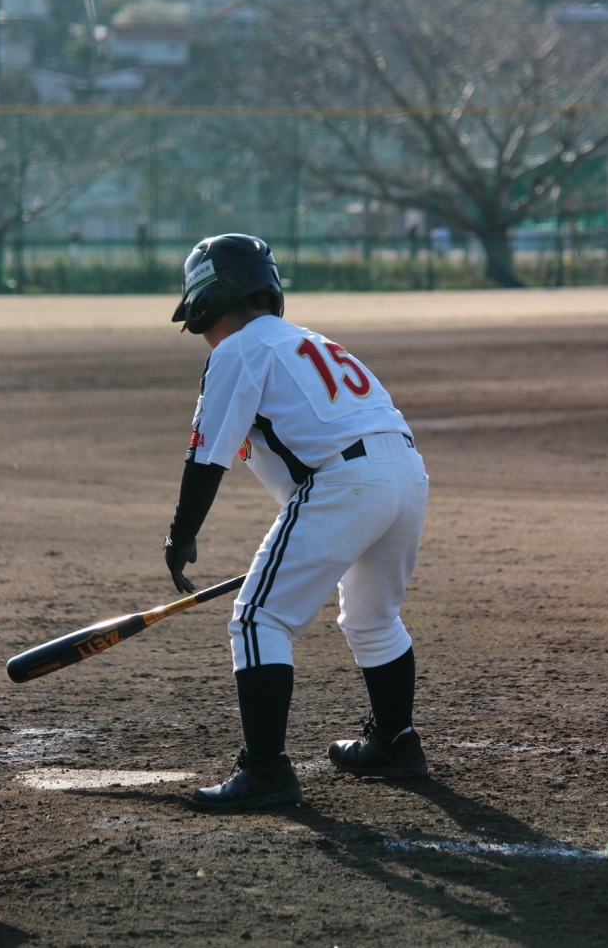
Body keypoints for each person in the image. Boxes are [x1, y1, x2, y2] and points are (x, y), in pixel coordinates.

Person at [163, 234, 429, 812]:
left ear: (210, 303)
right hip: (406, 473)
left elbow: (205, 458)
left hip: (344, 483)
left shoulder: (237, 350)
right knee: (372, 617)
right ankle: (396, 742)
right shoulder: (308, 341)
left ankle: (265, 772)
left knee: (258, 619)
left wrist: (181, 536)